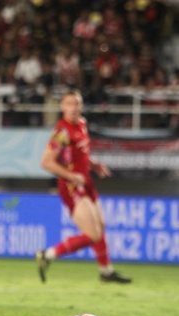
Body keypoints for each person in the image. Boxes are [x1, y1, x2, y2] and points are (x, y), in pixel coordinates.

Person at [36, 90, 132, 284]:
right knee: (93, 234)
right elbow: (46, 162)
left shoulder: (82, 123)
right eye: (69, 104)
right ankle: (48, 254)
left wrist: (93, 165)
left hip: (85, 181)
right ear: (62, 107)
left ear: (81, 106)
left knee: (101, 227)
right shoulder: (61, 132)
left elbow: (79, 154)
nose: (73, 108)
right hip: (71, 185)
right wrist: (71, 175)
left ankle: (106, 271)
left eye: (77, 103)